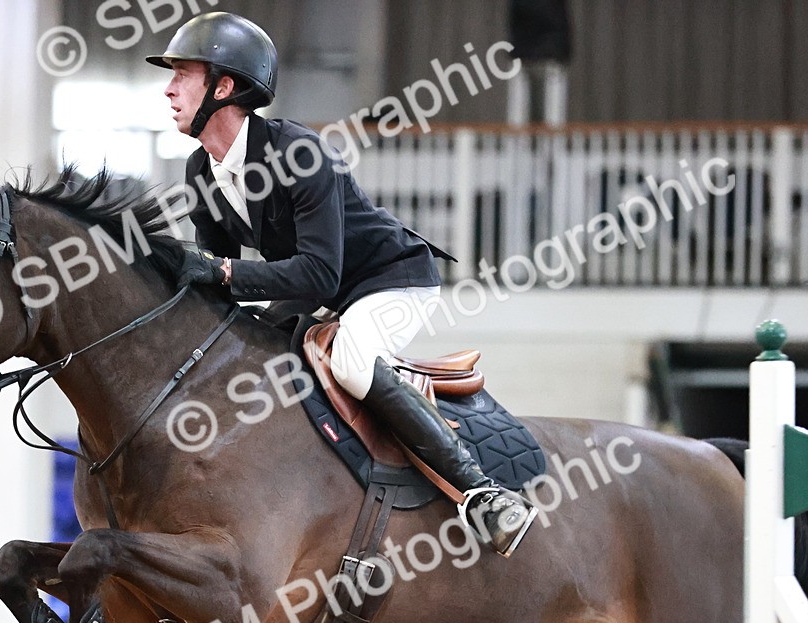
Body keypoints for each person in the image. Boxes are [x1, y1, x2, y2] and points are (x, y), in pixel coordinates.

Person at [148, 12, 536, 556]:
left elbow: (313, 271)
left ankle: (484, 494)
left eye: (181, 74)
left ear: (224, 85)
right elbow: (219, 278)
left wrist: (224, 272)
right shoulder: (199, 170)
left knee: (353, 362)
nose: (167, 88)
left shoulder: (297, 154)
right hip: (321, 292)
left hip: (392, 279)